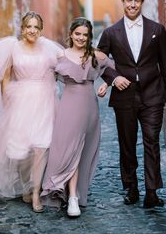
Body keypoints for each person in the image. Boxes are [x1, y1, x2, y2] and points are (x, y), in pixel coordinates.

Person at [0, 11, 63, 213]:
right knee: (20, 150)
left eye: (36, 27)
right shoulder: (13, 48)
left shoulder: (48, 48)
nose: (32, 30)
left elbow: (66, 64)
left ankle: (36, 192)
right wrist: (6, 103)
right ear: (22, 28)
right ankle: (25, 187)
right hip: (20, 102)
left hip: (45, 101)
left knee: (41, 147)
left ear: (40, 30)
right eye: (29, 26)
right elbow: (5, 78)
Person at [98, 0, 166, 208]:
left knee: (151, 142)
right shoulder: (111, 33)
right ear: (123, 2)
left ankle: (151, 192)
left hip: (153, 94)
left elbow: (165, 62)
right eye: (129, 0)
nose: (132, 4)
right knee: (127, 143)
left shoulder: (157, 29)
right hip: (125, 97)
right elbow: (100, 62)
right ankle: (131, 187)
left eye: (136, 1)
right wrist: (113, 78)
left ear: (142, 2)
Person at [41, 17, 116, 217]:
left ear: (89, 36)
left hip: (89, 107)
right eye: (78, 34)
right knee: (69, 148)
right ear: (71, 34)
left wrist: (107, 84)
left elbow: (114, 70)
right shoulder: (60, 56)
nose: (81, 38)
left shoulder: (96, 56)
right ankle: (71, 196)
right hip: (69, 106)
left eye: (85, 35)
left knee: (83, 150)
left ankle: (75, 194)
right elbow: (44, 77)